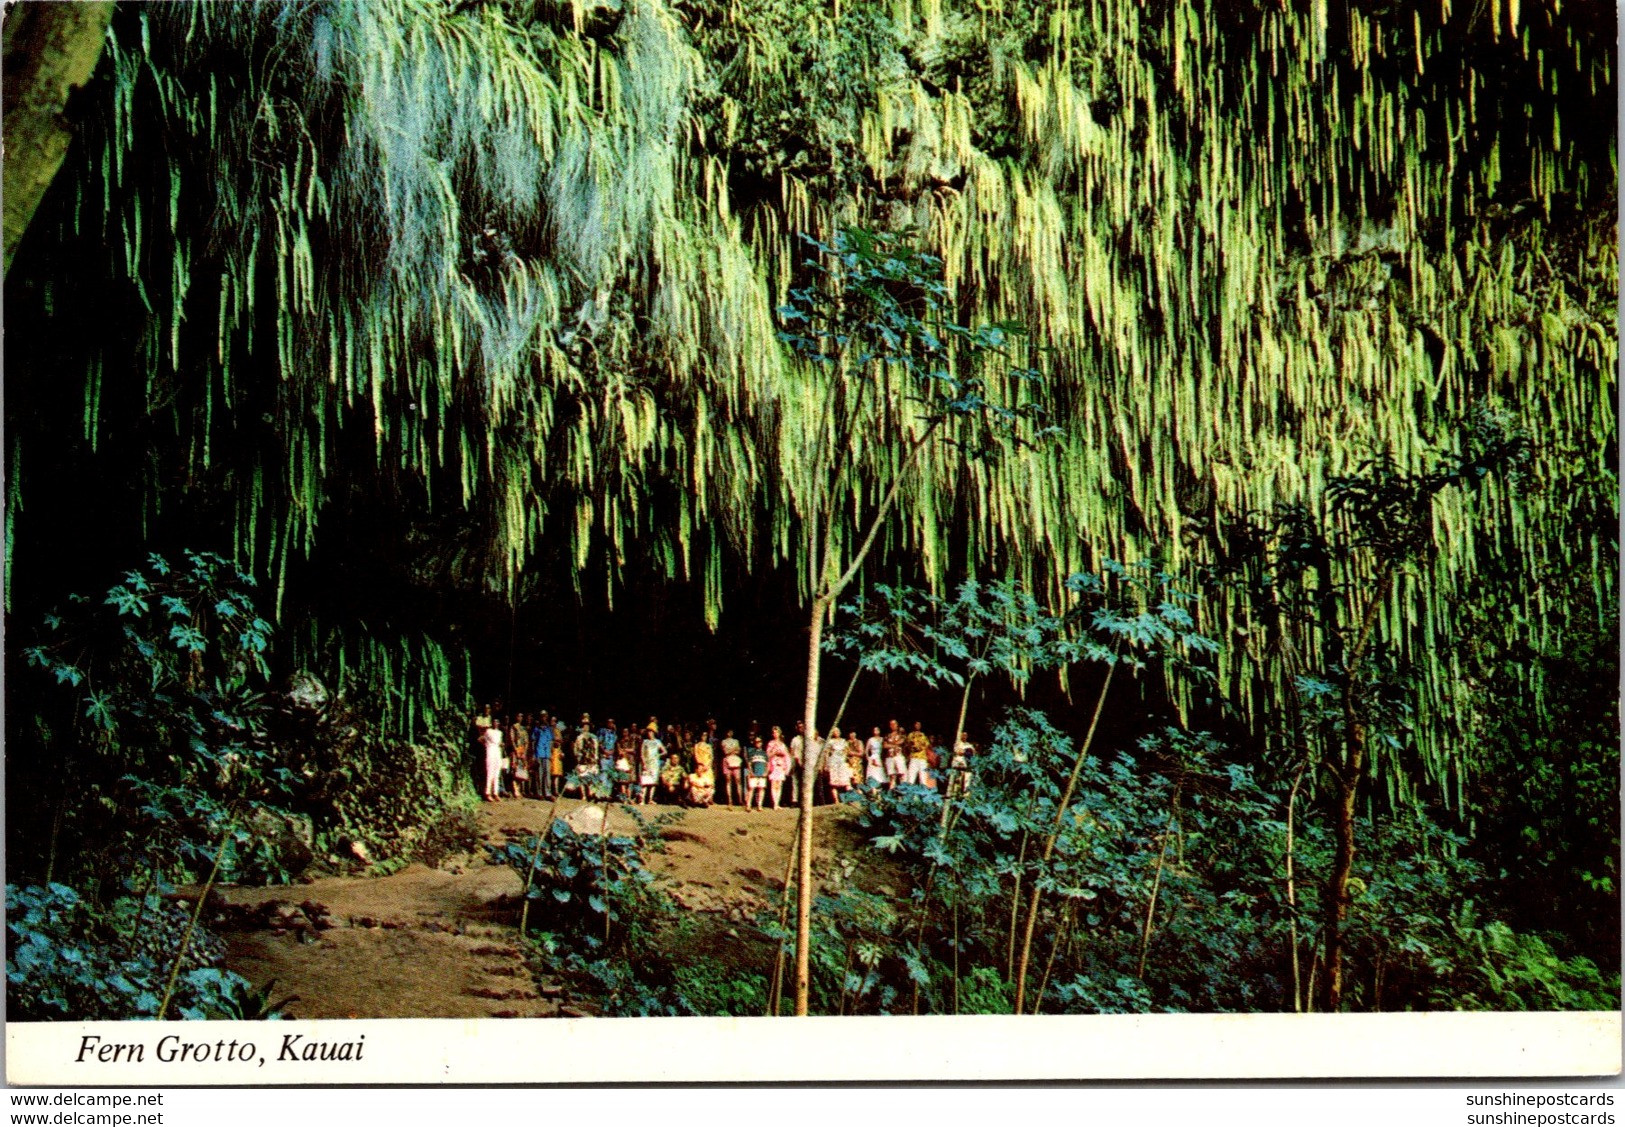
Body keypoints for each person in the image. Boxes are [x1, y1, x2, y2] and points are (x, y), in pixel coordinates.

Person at [571, 715, 601, 796]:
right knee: (582, 777)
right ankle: (583, 794)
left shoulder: (594, 738)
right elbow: (576, 748)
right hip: (582, 760)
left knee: (591, 777)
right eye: (584, 726)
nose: (586, 727)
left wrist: (596, 757)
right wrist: (577, 756)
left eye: (587, 726)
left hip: (591, 760)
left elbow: (596, 749)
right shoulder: (579, 738)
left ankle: (590, 793)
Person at [766, 726, 792, 810]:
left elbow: (787, 755)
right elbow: (768, 755)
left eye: (776, 732)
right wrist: (774, 752)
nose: (775, 734)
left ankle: (777, 803)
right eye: (774, 733)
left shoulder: (782, 744)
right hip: (774, 764)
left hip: (781, 765)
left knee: (779, 785)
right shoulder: (770, 743)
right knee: (774, 784)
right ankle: (775, 804)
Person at [639, 723, 665, 805]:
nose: (649, 733)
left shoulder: (658, 742)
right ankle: (642, 799)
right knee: (645, 781)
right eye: (648, 732)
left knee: (653, 782)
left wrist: (658, 755)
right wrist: (643, 763)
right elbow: (642, 754)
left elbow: (664, 751)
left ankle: (650, 799)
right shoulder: (645, 742)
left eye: (651, 732)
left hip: (655, 763)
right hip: (647, 763)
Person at [509, 712, 532, 798]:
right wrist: (516, 750)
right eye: (518, 716)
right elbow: (512, 740)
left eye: (521, 716)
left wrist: (524, 751)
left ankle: (519, 789)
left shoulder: (523, 728)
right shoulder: (514, 727)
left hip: (522, 751)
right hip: (516, 750)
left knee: (522, 770)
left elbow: (526, 741)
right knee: (515, 769)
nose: (520, 718)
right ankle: (515, 789)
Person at [481, 719, 504, 802]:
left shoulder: (500, 733)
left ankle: (495, 793)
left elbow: (499, 742)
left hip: (497, 752)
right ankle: (487, 793)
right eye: (494, 722)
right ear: (492, 723)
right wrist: (487, 745)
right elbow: (480, 739)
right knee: (490, 772)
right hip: (490, 751)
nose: (496, 723)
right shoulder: (488, 731)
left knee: (497, 773)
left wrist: (501, 745)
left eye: (497, 722)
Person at [825, 728, 853, 800]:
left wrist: (848, 758)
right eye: (835, 731)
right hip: (833, 762)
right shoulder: (830, 741)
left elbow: (847, 751)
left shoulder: (843, 741)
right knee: (834, 782)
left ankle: (849, 798)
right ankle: (836, 800)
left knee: (846, 780)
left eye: (838, 731)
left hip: (842, 761)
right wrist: (826, 763)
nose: (836, 732)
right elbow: (827, 753)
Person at [904, 721, 932, 786]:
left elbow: (927, 746)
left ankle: (922, 794)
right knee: (911, 778)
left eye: (919, 724)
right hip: (914, 757)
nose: (918, 726)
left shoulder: (923, 735)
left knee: (923, 778)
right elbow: (907, 745)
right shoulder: (911, 735)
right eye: (916, 724)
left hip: (922, 758)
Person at [946, 732, 974, 799]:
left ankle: (965, 795)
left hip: (965, 765)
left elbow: (971, 753)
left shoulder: (968, 745)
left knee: (966, 780)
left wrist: (964, 752)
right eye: (963, 735)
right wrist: (963, 752)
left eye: (965, 735)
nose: (964, 736)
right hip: (956, 764)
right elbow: (956, 752)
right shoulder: (957, 743)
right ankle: (953, 793)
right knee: (956, 780)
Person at [720, 729, 744, 807]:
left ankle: (740, 799)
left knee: (738, 780)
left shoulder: (736, 741)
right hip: (727, 761)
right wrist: (734, 749)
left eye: (731, 732)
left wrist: (731, 750)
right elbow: (725, 752)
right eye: (728, 732)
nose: (730, 733)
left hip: (735, 760)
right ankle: (730, 800)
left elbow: (739, 751)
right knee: (728, 780)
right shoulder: (723, 741)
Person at [746, 735, 769, 810]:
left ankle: (759, 805)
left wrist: (766, 772)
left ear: (762, 743)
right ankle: (748, 805)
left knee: (761, 789)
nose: (758, 743)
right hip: (754, 773)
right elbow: (749, 764)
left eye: (759, 742)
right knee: (751, 789)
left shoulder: (764, 753)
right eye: (756, 742)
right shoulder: (751, 752)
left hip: (762, 773)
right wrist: (751, 772)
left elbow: (767, 764)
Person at [532, 712, 552, 797]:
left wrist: (550, 753)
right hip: (539, 753)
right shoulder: (536, 729)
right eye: (542, 716)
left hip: (546, 754)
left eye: (545, 716)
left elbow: (551, 741)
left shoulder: (548, 729)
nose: (544, 718)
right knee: (539, 774)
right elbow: (533, 741)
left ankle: (547, 793)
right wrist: (534, 754)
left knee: (547, 773)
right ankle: (539, 792)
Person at [883, 718, 906, 788]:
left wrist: (890, 743)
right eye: (891, 724)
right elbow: (884, 745)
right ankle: (892, 792)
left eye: (894, 724)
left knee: (901, 774)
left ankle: (903, 792)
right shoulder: (887, 735)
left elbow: (901, 741)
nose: (893, 725)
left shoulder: (901, 733)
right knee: (892, 776)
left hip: (898, 756)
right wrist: (894, 745)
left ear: (897, 725)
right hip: (889, 757)